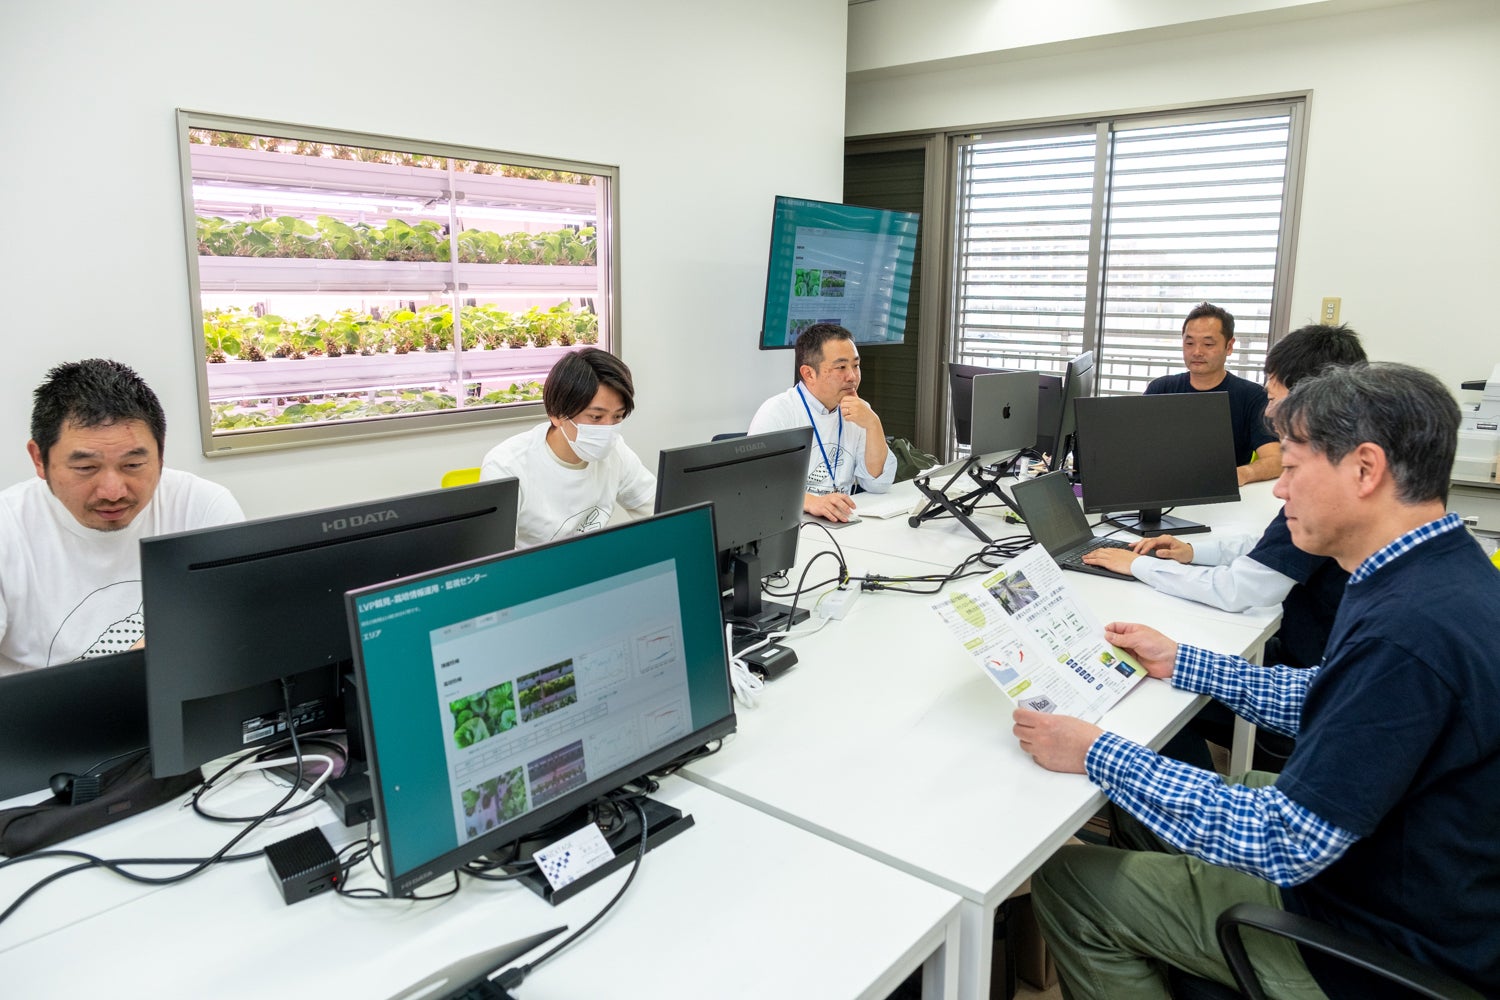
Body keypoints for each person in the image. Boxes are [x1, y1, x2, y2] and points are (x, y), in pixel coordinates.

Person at [1015, 363, 1500, 999]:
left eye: (1292, 467)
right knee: (1179, 795)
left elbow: (1281, 838)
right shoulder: (1442, 573)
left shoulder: (1406, 633)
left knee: (1070, 882)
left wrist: (1096, 752)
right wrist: (1184, 661)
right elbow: (1331, 697)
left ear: (1365, 469)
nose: (1280, 490)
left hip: (1377, 942)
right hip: (1413, 871)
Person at [1085, 323, 1367, 669]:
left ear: (1311, 400)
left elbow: (1238, 590)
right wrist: (1191, 552)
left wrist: (1140, 565)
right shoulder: (1345, 469)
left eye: (1273, 398)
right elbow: (1270, 549)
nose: (1268, 411)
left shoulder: (1325, 490)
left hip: (1306, 667)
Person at [0, 359, 244, 675]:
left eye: (133, 465)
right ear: (39, 459)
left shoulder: (202, 506)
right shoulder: (9, 527)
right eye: (85, 468)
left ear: (160, 452)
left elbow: (235, 631)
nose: (113, 492)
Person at [480, 347, 655, 547]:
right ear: (556, 414)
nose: (608, 428)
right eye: (596, 417)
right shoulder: (507, 466)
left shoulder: (616, 453)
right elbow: (494, 556)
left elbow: (660, 510)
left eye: (617, 416)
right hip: (535, 566)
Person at [748, 323, 895, 522]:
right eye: (841, 367)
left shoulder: (859, 410)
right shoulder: (777, 412)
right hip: (791, 524)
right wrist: (810, 501)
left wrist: (873, 424)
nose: (852, 376)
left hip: (840, 522)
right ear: (809, 374)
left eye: (856, 365)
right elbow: (756, 487)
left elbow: (878, 484)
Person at [1145, 302, 1280, 485]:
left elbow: (1276, 460)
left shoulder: (1252, 396)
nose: (1197, 352)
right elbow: (1136, 449)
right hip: (1163, 487)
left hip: (1223, 491)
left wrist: (1240, 474)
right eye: (1189, 343)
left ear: (1229, 346)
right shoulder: (1160, 389)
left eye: (1208, 344)